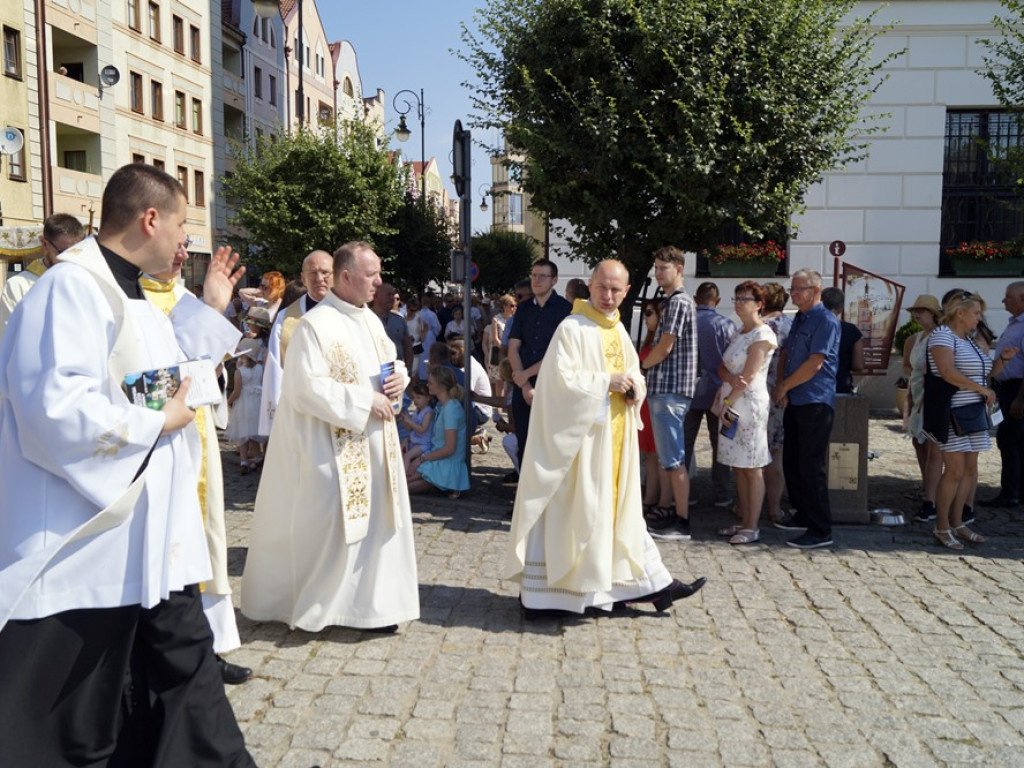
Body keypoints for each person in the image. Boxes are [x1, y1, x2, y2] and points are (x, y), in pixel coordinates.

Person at [0, 163, 253, 766]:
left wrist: (211, 312)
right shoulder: (71, 288)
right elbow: (55, 408)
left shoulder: (129, 293)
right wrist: (152, 424)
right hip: (89, 545)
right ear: (149, 219)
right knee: (74, 722)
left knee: (184, 690)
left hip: (150, 543)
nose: (183, 242)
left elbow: (164, 379)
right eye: (181, 227)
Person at [505, 260, 706, 618]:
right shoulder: (572, 328)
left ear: (627, 292)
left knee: (616, 516)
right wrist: (604, 383)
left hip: (613, 442)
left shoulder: (617, 331)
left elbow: (634, 374)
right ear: (591, 286)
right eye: (602, 288)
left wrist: (633, 389)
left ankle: (649, 585)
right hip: (579, 447)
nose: (608, 296)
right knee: (580, 516)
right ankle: (547, 597)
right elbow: (556, 383)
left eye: (616, 290)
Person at [240, 241, 419, 633]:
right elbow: (304, 389)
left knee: (378, 525)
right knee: (336, 530)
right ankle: (333, 607)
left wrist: (398, 380)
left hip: (376, 442)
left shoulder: (371, 320)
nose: (379, 282)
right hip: (330, 448)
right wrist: (363, 399)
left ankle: (374, 608)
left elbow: (392, 363)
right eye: (372, 275)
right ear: (346, 277)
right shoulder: (314, 326)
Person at [140, 244, 252, 686]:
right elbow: (151, 381)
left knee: (208, 539)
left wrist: (218, 361)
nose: (184, 251)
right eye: (178, 237)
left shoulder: (185, 300)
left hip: (200, 434)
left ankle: (213, 645)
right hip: (162, 439)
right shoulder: (130, 299)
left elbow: (207, 370)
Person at [772, 268, 840, 549]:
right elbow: (786, 353)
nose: (793, 294)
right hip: (796, 399)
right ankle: (803, 513)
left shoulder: (825, 320)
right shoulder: (799, 318)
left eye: (798, 289)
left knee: (812, 466)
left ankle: (820, 528)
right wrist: (783, 384)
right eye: (792, 289)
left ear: (815, 291)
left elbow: (815, 363)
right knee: (793, 461)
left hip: (815, 399)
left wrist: (785, 386)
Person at [925, 292, 996, 549]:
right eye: (976, 313)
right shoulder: (943, 335)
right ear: (961, 313)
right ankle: (941, 525)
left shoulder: (970, 340)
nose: (980, 318)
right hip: (953, 411)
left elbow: (982, 371)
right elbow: (947, 372)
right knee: (954, 470)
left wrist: (999, 368)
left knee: (969, 470)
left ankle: (958, 522)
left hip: (973, 412)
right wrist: (981, 389)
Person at [641, 246, 698, 541]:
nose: (658, 272)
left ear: (679, 268)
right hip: (669, 390)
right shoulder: (676, 301)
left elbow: (664, 347)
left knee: (673, 460)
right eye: (656, 267)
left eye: (663, 267)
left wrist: (640, 367)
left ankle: (682, 522)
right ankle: (678, 517)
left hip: (669, 390)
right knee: (670, 459)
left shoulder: (676, 303)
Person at [714, 282, 777, 544]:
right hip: (731, 403)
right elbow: (722, 368)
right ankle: (742, 519)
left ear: (759, 304)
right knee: (737, 465)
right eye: (736, 298)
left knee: (751, 465)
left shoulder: (762, 335)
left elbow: (748, 376)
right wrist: (729, 385)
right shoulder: (740, 332)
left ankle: (752, 525)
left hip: (747, 405)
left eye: (745, 299)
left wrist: (728, 401)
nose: (739, 303)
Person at [258, 249, 334, 438]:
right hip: (299, 414)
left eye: (325, 272)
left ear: (335, 275)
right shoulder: (286, 318)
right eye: (312, 273)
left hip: (338, 412)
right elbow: (275, 369)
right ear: (303, 277)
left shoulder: (349, 313)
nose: (319, 278)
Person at [509, 258, 573, 468]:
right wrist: (524, 383)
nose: (536, 280)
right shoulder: (524, 308)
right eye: (534, 275)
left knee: (550, 442)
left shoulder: (565, 310)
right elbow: (513, 348)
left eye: (542, 276)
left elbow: (560, 352)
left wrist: (526, 375)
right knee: (524, 440)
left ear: (554, 280)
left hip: (552, 383)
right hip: (523, 385)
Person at [683, 281, 736, 509]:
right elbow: (732, 359)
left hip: (689, 389)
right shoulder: (725, 324)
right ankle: (722, 493)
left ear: (695, 298)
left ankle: (685, 492)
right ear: (718, 301)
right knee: (720, 443)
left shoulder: (686, 322)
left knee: (685, 443)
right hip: (718, 391)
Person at [0, 212, 86, 341]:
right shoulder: (18, 287)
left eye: (77, 252)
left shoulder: (85, 283)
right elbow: (11, 340)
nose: (71, 259)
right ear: (45, 244)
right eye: (64, 252)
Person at [901, 294, 943, 523]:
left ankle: (933, 498)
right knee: (918, 441)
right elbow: (906, 365)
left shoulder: (941, 337)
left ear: (933, 314)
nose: (917, 315)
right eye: (915, 311)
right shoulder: (913, 339)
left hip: (934, 394)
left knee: (934, 445)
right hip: (917, 392)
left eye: (922, 311)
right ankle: (928, 487)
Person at [982, 281, 1024, 508]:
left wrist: (1020, 398)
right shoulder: (1014, 323)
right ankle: (1016, 490)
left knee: (1009, 440)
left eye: (1008, 296)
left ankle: (1011, 492)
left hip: (1017, 388)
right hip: (1007, 388)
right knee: (1015, 442)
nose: (1003, 300)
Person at [407, 365, 471, 498]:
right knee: (403, 481)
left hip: (445, 463)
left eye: (430, 383)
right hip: (437, 459)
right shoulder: (441, 406)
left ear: (441, 387)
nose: (427, 385)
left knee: (402, 488)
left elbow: (449, 448)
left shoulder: (450, 409)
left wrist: (421, 459)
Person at [638, 298, 674, 519]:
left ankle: (665, 502)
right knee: (650, 455)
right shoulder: (649, 342)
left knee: (662, 456)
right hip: (644, 404)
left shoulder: (665, 344)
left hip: (658, 402)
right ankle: (650, 498)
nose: (645, 317)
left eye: (649, 313)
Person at [761, 282, 792, 524]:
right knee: (776, 453)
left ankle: (746, 505)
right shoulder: (792, 326)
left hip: (760, 393)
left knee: (755, 454)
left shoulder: (761, 327)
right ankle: (774, 507)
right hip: (781, 393)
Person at [225, 346, 265, 474]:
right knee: (253, 430)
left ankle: (244, 461)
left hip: (244, 403)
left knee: (243, 431)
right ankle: (258, 457)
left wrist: (228, 402)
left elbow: (237, 391)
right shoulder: (260, 368)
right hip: (258, 401)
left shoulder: (240, 372)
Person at [820, 287, 865, 394]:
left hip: (814, 388)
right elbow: (858, 365)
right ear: (841, 308)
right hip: (841, 385)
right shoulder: (851, 331)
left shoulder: (811, 327)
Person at [372, 282, 413, 371]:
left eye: (393, 295)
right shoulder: (366, 319)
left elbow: (408, 347)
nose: (393, 298)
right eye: (389, 295)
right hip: (373, 372)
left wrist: (408, 371)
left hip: (396, 373)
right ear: (376, 296)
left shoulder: (399, 320)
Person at [400, 380, 435, 473]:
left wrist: (409, 421)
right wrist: (404, 420)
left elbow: (422, 430)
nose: (415, 400)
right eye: (414, 397)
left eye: (418, 397)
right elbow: (410, 429)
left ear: (428, 398)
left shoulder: (428, 412)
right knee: (401, 451)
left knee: (407, 456)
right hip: (415, 441)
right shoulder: (417, 410)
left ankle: (405, 478)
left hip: (424, 444)